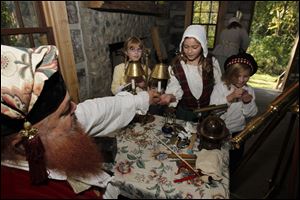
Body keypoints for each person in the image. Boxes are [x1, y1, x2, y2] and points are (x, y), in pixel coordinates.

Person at [1, 44, 160, 199]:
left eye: (70, 102)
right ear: (23, 144)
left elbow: (97, 110)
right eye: (64, 112)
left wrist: (143, 98)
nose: (75, 108)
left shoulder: (50, 132)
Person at [157, 25, 222, 122]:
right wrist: (170, 96)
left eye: (195, 47)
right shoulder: (176, 66)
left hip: (207, 112)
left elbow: (219, 87)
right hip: (185, 113)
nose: (190, 51)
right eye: (186, 47)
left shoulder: (211, 62)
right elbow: (175, 89)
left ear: (203, 45)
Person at [209, 52, 258, 173]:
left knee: (234, 160)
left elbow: (251, 114)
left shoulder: (249, 90)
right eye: (237, 76)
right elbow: (213, 109)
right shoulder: (220, 87)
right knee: (216, 158)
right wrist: (230, 97)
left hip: (238, 131)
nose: (241, 80)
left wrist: (248, 102)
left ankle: (230, 180)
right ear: (230, 74)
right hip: (219, 130)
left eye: (246, 76)